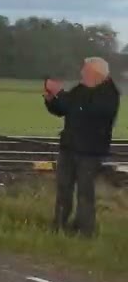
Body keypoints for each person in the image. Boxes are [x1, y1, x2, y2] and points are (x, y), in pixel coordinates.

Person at [43, 57, 121, 237]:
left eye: (85, 71)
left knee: (85, 194)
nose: (82, 73)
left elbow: (86, 110)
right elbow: (64, 107)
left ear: (97, 74)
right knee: (63, 190)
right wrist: (51, 98)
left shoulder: (109, 94)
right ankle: (59, 226)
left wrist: (60, 92)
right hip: (69, 147)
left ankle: (85, 231)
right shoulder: (80, 89)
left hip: (90, 153)